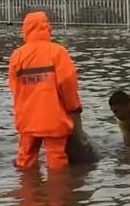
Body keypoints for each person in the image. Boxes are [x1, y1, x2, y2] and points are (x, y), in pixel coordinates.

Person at [8, 11, 88, 170]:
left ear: (25, 29)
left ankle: (27, 191)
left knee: (25, 160)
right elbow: (67, 83)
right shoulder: (58, 52)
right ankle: (57, 191)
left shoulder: (17, 55)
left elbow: (14, 88)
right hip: (54, 117)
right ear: (47, 28)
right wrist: (73, 107)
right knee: (57, 160)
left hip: (27, 119)